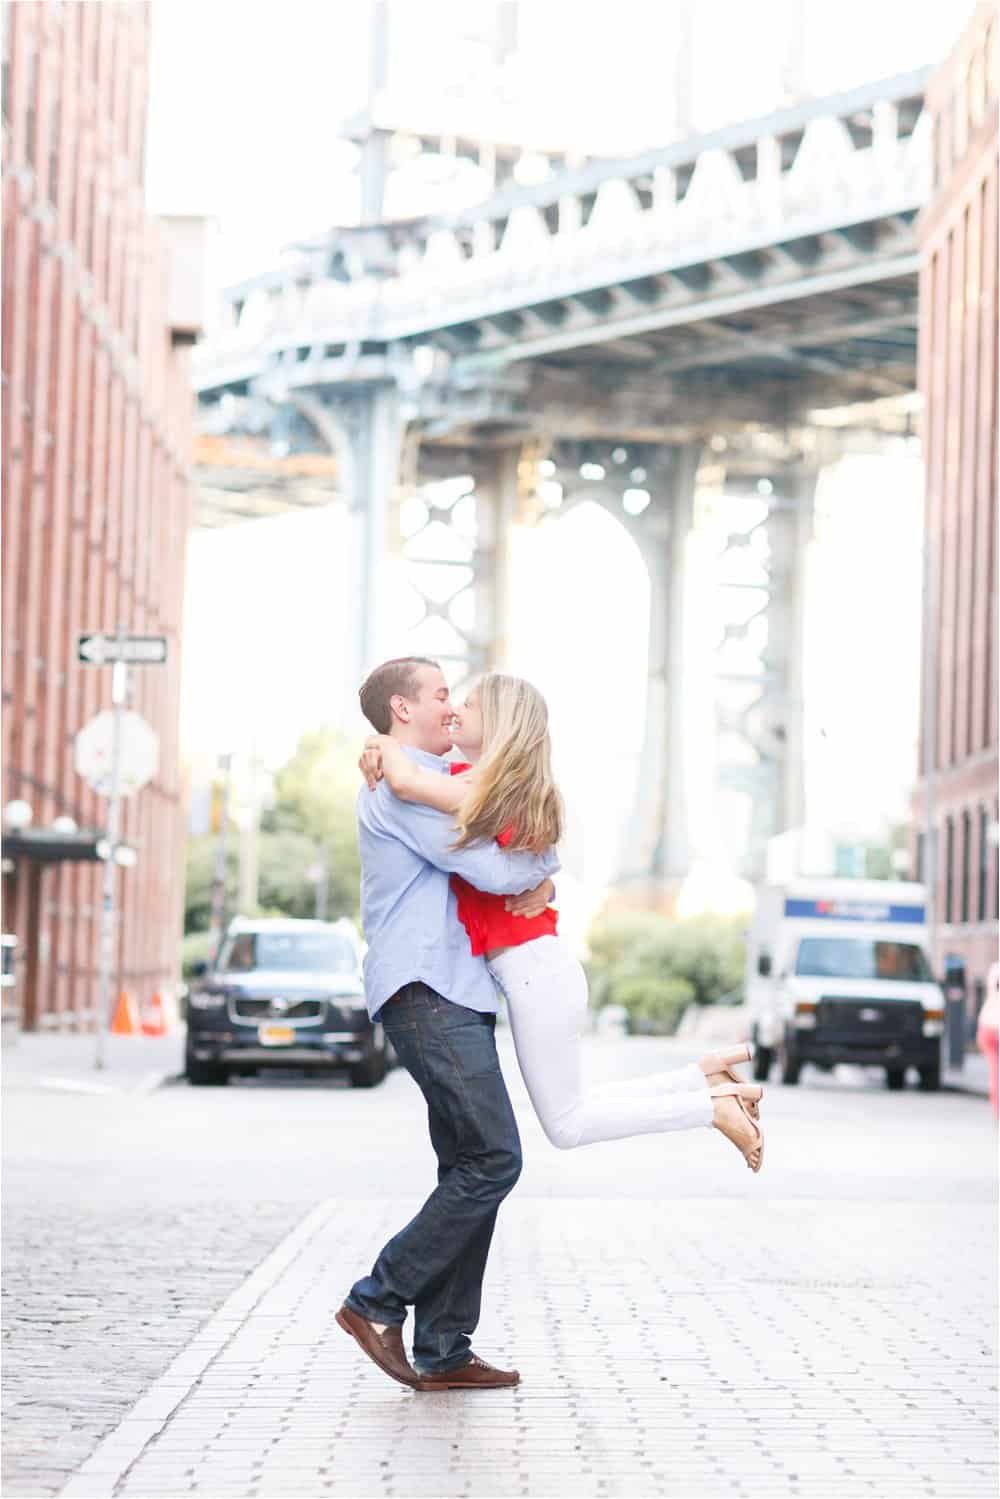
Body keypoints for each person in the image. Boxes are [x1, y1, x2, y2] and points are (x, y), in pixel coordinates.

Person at [359, 671, 765, 1175]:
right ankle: (702, 1080)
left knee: (568, 1124)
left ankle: (710, 1107)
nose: (455, 710)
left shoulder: (488, 791)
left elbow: (409, 783)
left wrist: (381, 743)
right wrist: (383, 746)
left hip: (534, 970)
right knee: (574, 1105)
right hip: (536, 969)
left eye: (467, 704)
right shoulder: (474, 777)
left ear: (500, 724)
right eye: (449, 699)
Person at [336, 656, 560, 1394]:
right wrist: (543, 864)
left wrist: (544, 864)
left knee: (467, 1165)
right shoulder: (399, 786)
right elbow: (496, 872)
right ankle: (376, 1299)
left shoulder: (436, 777)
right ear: (403, 708)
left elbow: (521, 842)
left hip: (452, 990)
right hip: (424, 987)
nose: (452, 706)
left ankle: (443, 1345)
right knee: (495, 1159)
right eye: (439, 694)